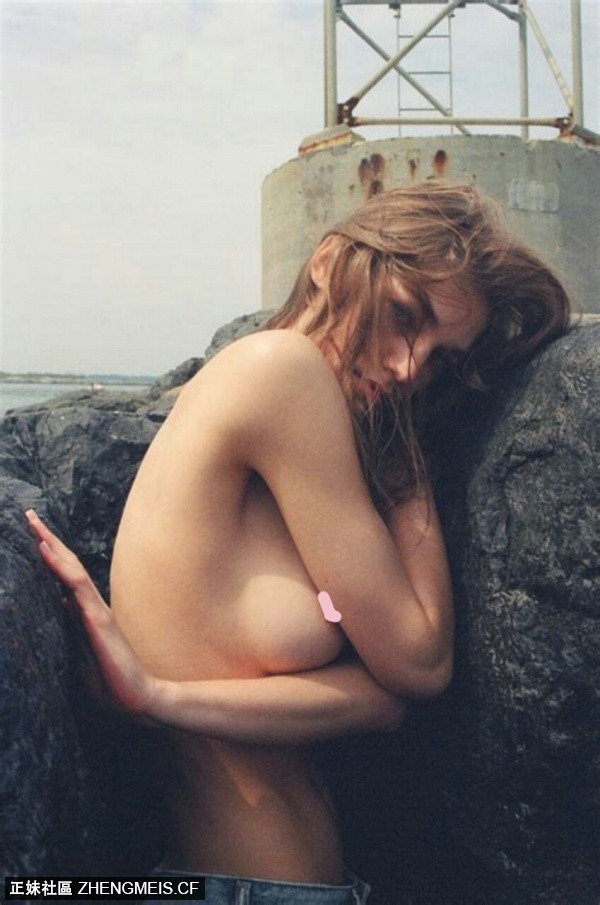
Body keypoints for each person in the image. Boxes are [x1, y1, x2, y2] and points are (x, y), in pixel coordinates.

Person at [26, 181, 570, 904]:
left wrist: (162, 698)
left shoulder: (282, 432)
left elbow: (386, 703)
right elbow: (419, 659)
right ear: (329, 262)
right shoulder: (281, 370)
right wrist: (409, 460)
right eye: (405, 314)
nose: (411, 368)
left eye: (442, 358)